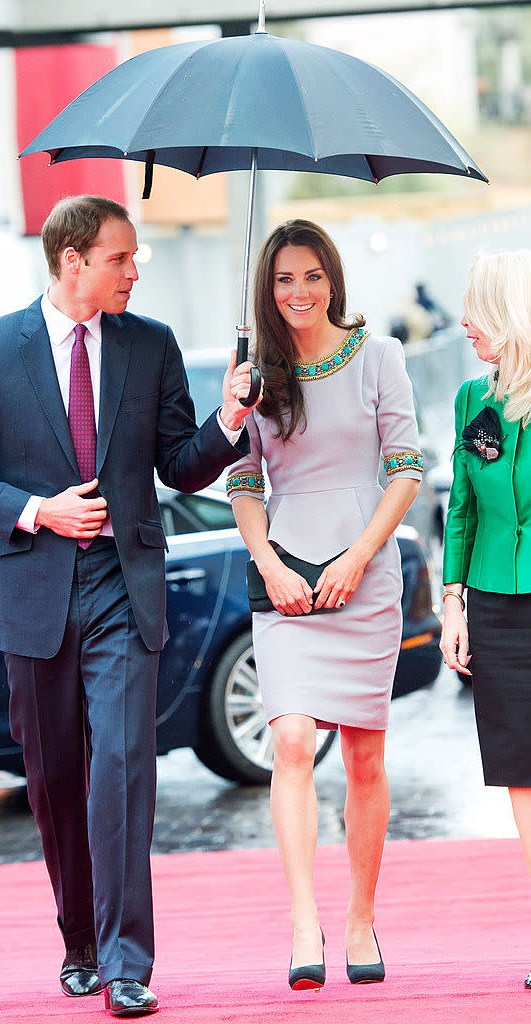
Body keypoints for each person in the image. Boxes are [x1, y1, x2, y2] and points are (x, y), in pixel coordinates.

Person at [0, 194, 259, 1018]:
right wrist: (40, 509)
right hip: (32, 591)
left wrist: (228, 418)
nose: (135, 271)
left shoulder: (151, 346)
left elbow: (182, 466)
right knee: (56, 780)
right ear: (73, 259)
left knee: (122, 770)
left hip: (123, 586)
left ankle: (124, 962)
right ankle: (78, 939)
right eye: (122, 258)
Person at [226, 219, 422, 991]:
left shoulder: (382, 358)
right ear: (267, 291)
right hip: (286, 583)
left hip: (365, 575)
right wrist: (267, 560)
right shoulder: (256, 376)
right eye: (283, 279)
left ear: (332, 279)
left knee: (366, 756)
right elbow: (242, 484)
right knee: (296, 743)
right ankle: (304, 919)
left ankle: (361, 918)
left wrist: (360, 556)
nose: (298, 291)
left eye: (311, 276)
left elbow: (406, 469)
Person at [440, 249, 531, 991]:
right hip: (496, 604)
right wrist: (452, 604)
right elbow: (462, 508)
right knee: (521, 774)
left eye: (477, 308)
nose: (464, 322)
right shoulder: (475, 400)